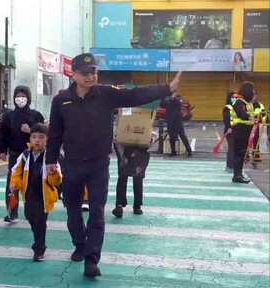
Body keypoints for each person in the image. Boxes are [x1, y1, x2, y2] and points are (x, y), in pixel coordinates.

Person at [46, 53, 182, 278]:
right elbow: (55, 134)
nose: (91, 77)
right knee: (72, 210)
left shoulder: (106, 94)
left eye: (94, 72)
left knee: (97, 211)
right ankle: (79, 244)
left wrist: (167, 88)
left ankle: (92, 259)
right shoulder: (61, 100)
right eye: (86, 73)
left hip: (99, 164)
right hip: (72, 165)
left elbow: (135, 95)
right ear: (74, 74)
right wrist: (51, 160)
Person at [9, 123, 61, 261]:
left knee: (40, 222)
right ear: (30, 138)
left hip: (43, 197)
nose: (37, 140)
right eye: (34, 137)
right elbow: (16, 171)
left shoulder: (51, 157)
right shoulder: (25, 155)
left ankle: (39, 248)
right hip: (28, 195)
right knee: (30, 217)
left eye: (41, 137)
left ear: (47, 139)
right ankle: (38, 240)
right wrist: (15, 183)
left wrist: (53, 173)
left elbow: (57, 181)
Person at [0, 85, 44, 222]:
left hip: (33, 155)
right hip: (15, 154)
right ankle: (12, 211)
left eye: (23, 96)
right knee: (12, 183)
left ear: (28, 98)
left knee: (33, 183)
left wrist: (30, 131)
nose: (21, 99)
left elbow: (43, 134)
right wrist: (1, 150)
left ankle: (34, 210)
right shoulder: (9, 116)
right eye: (18, 96)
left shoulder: (36, 115)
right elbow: (2, 133)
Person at [111, 132, 156, 218]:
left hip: (126, 150)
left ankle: (120, 205)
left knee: (123, 177)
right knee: (137, 178)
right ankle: (136, 205)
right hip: (138, 149)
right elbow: (150, 132)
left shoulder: (122, 119)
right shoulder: (144, 119)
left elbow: (116, 132)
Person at [231, 82, 257, 183]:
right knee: (239, 153)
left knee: (241, 153)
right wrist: (249, 116)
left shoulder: (247, 103)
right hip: (240, 130)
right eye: (253, 90)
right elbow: (241, 114)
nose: (254, 92)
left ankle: (239, 174)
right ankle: (237, 175)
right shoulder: (239, 102)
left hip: (244, 131)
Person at [160, 91, 192, 157]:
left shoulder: (178, 99)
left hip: (178, 120)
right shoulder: (167, 100)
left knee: (182, 135)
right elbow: (162, 105)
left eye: (173, 93)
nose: (172, 95)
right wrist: (162, 97)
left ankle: (189, 151)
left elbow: (178, 105)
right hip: (170, 120)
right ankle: (173, 151)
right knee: (172, 137)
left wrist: (173, 99)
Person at [223, 92, 236, 173]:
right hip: (230, 131)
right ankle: (229, 166)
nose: (234, 98)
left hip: (237, 130)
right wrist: (229, 128)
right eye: (233, 97)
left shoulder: (238, 107)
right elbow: (226, 119)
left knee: (236, 148)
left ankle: (234, 165)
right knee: (232, 148)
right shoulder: (227, 108)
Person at [252, 96, 266, 164]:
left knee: (256, 141)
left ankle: (256, 155)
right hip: (248, 124)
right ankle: (246, 156)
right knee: (246, 140)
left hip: (256, 124)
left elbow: (263, 113)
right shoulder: (247, 104)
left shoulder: (260, 105)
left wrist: (258, 117)